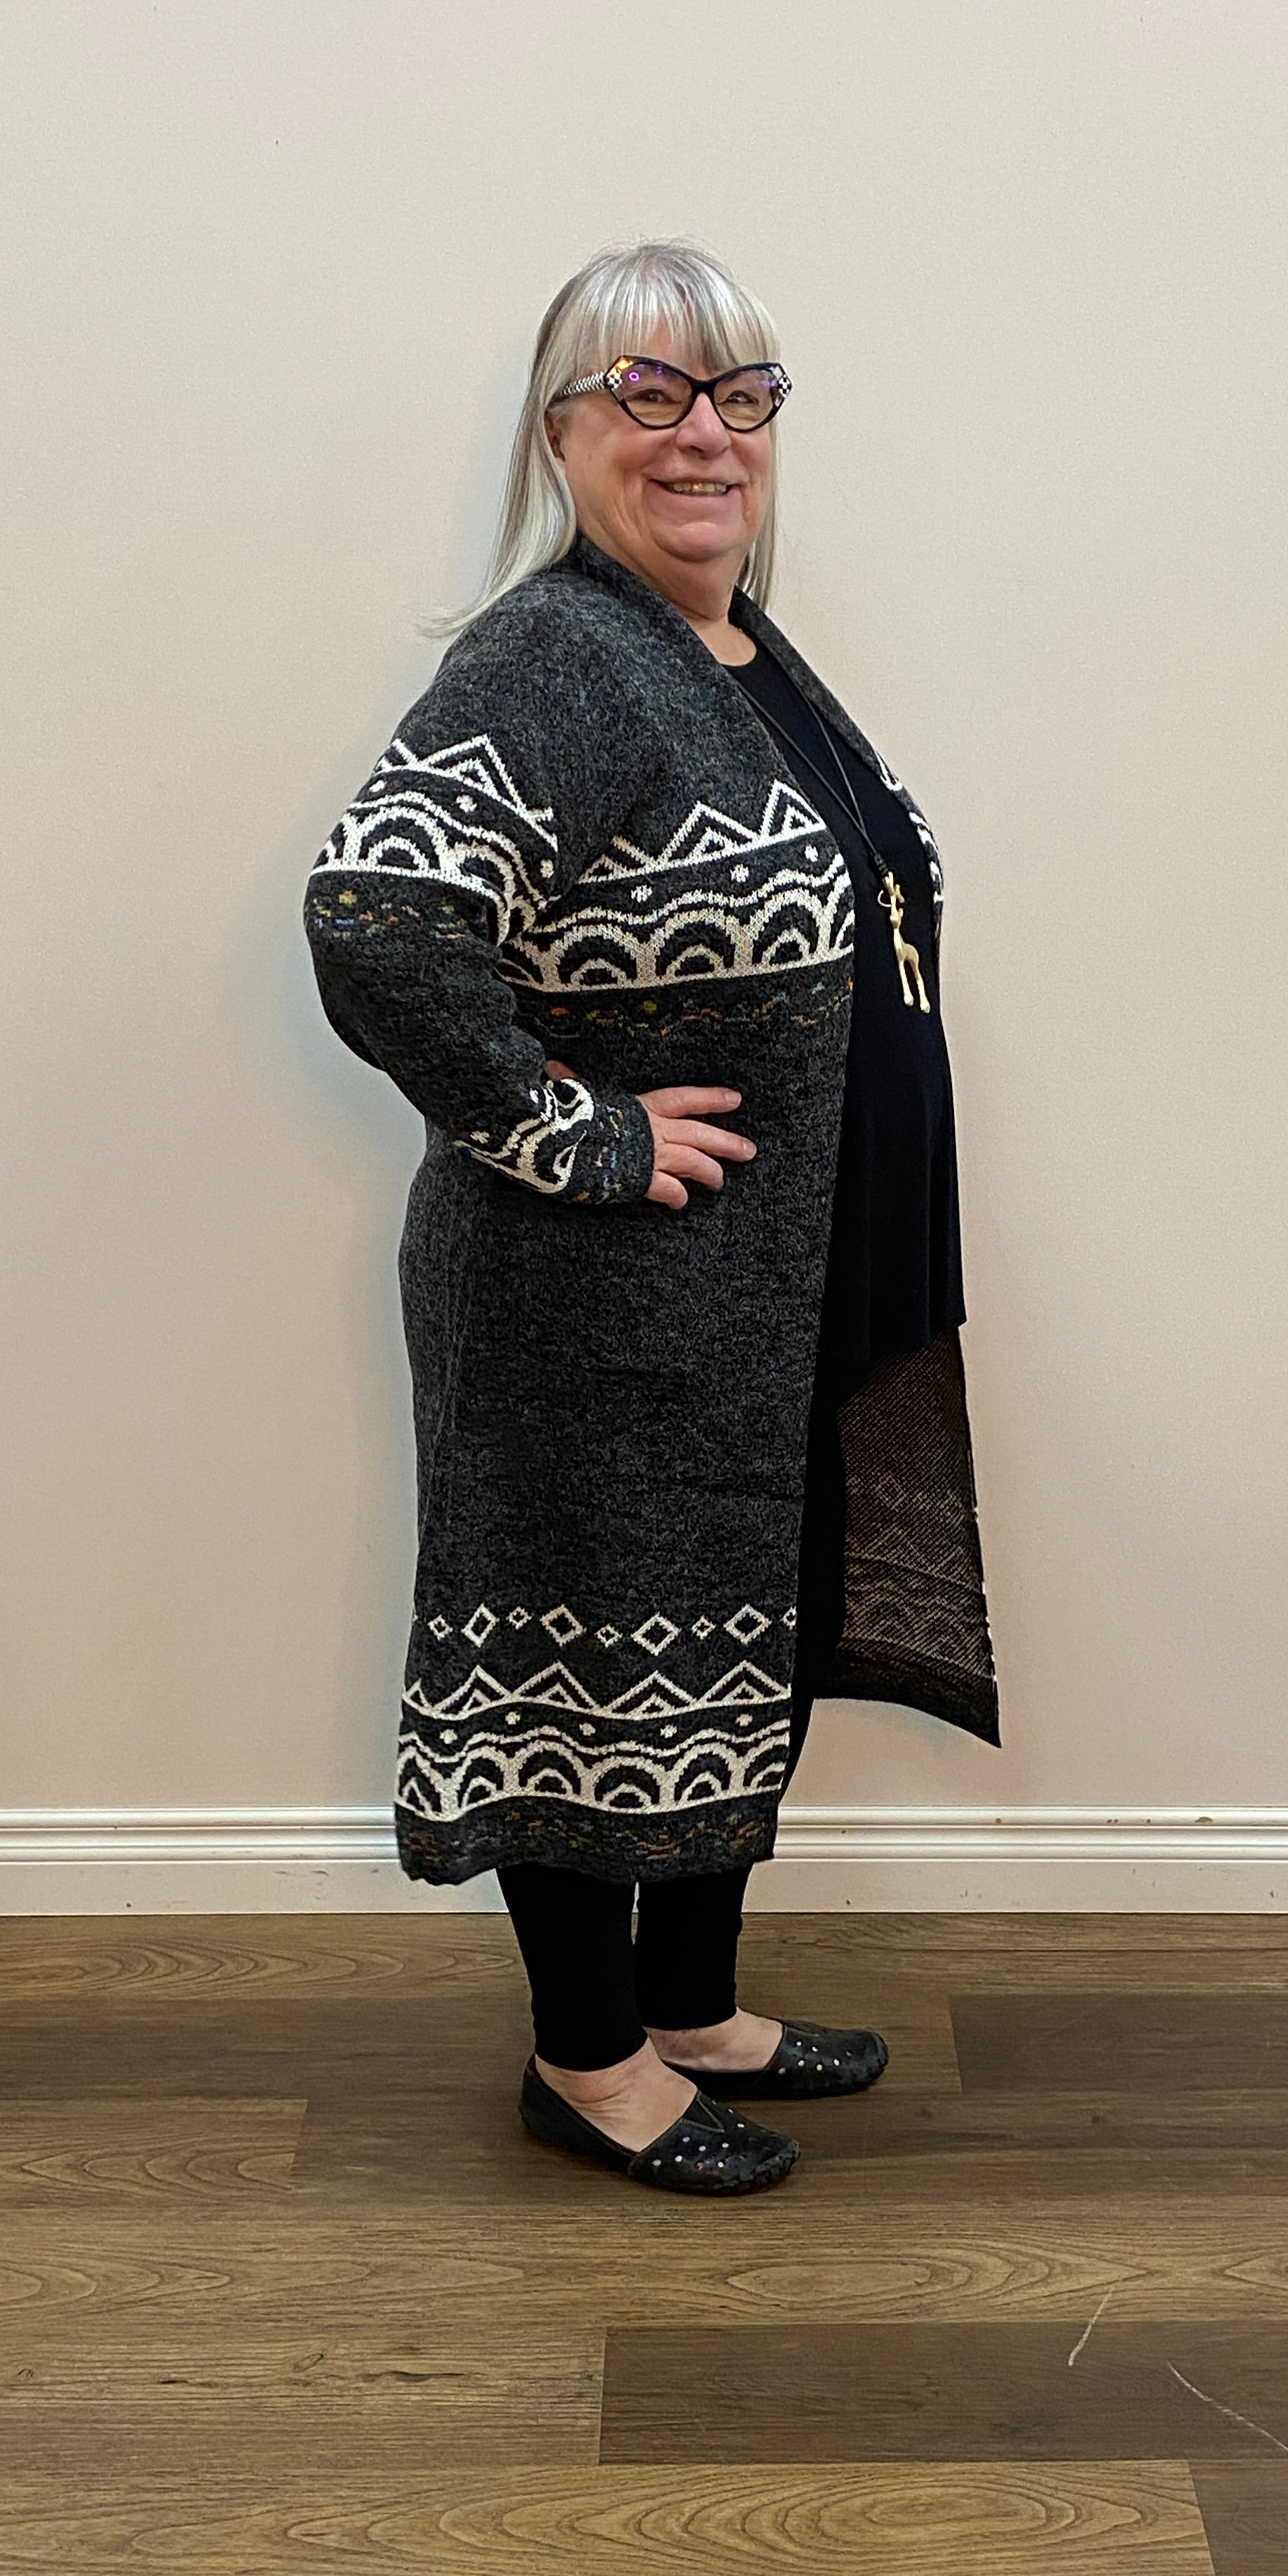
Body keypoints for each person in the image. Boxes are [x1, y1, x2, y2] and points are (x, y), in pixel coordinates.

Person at [304, 238, 997, 2196]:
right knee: (595, 1651)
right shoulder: (553, 658)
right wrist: (570, 1133)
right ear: (564, 431)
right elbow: (377, 922)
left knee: (734, 1632)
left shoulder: (741, 649)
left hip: (768, 1284)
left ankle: (695, 2004)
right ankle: (590, 2056)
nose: (703, 432)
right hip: (602, 1295)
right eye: (649, 391)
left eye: (742, 394)